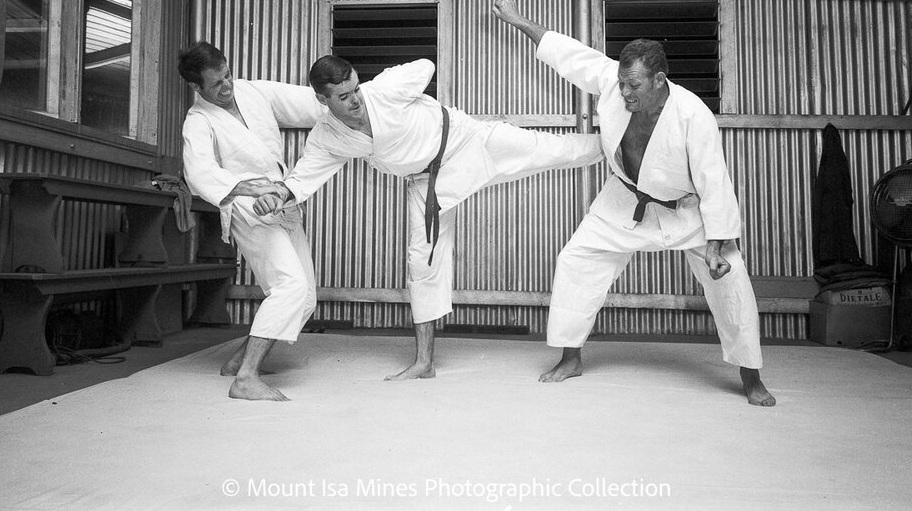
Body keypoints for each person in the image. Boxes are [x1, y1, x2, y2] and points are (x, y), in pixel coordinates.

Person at [491, 0, 776, 407]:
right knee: (576, 260)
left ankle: (752, 377)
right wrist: (519, 20)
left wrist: (717, 243)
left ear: (659, 80)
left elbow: (715, 181)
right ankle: (570, 358)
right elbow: (566, 54)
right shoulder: (614, 82)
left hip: (684, 209)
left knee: (732, 282)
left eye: (634, 86)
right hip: (623, 199)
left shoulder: (693, 116)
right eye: (621, 83)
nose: (623, 92)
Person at [265, 53, 604, 380]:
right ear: (322, 99)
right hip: (427, 182)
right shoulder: (327, 137)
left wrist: (395, 81)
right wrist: (280, 193)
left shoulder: (382, 90)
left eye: (355, 88)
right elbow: (303, 176)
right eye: (343, 96)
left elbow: (425, 65)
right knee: (422, 262)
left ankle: (615, 146)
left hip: (466, 140)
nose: (355, 99)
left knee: (549, 149)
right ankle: (424, 362)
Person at [179, 41, 325, 402]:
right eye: (217, 84)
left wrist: (360, 103)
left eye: (227, 75)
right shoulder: (198, 122)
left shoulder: (252, 91)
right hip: (246, 209)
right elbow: (198, 172)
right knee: (288, 287)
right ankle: (246, 378)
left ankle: (238, 361)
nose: (227, 87)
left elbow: (310, 103)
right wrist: (247, 186)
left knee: (304, 298)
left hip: (280, 200)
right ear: (197, 87)